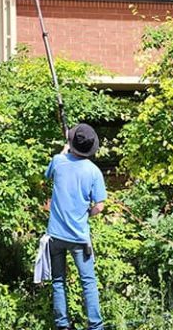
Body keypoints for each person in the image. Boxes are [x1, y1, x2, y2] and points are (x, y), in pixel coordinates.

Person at [45, 123, 107, 330]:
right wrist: (86, 214)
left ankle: (63, 325)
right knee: (88, 282)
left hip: (55, 236)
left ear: (71, 143)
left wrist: (64, 151)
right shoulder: (94, 171)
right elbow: (99, 206)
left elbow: (49, 174)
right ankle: (95, 326)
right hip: (79, 238)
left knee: (58, 281)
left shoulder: (58, 161)